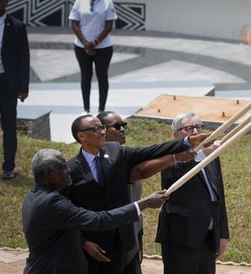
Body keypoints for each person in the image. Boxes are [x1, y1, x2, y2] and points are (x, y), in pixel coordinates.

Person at [61, 114, 209, 274]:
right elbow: (64, 213)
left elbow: (149, 151)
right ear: (81, 136)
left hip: (126, 242)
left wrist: (185, 143)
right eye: (96, 129)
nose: (102, 132)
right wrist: (83, 242)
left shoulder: (115, 151)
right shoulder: (70, 170)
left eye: (103, 128)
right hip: (95, 249)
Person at [22, 148, 169, 274]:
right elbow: (99, 220)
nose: (69, 170)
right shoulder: (52, 203)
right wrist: (144, 203)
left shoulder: (34, 195)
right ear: (49, 173)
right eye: (62, 167)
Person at [96, 111, 196, 268]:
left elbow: (152, 151)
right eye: (117, 126)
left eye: (124, 125)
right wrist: (174, 157)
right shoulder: (103, 162)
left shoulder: (125, 154)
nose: (122, 129)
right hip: (108, 240)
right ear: (101, 131)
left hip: (131, 236)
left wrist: (181, 148)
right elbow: (140, 171)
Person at [155, 112, 230, 274]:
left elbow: (219, 195)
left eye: (198, 127)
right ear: (176, 135)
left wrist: (222, 234)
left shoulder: (209, 155)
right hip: (181, 236)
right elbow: (173, 172)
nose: (195, 132)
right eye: (189, 128)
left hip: (208, 236)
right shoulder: (169, 155)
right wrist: (201, 154)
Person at [0, 0, 30, 180]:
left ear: (7, 2)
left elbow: (24, 58)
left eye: (1, 1)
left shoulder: (17, 27)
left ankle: (8, 167)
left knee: (9, 127)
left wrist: (23, 88)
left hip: (7, 86)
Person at [69, 0, 117, 114]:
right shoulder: (80, 2)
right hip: (81, 47)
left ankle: (101, 110)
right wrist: (85, 43)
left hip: (103, 47)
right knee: (85, 77)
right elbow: (74, 23)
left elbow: (109, 26)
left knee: (102, 77)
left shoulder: (107, 2)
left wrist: (95, 42)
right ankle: (86, 109)